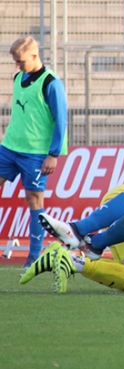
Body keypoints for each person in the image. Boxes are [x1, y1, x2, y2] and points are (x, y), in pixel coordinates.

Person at [0, 36, 68, 265]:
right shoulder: (18, 77)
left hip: (36, 154)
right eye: (15, 61)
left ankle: (33, 257)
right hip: (9, 147)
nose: (17, 66)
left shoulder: (51, 83)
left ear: (34, 55)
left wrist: (53, 154)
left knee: (34, 201)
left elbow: (61, 120)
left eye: (20, 61)